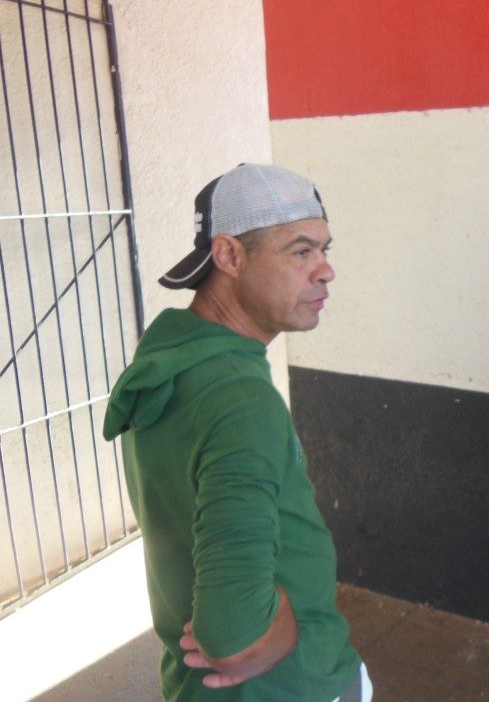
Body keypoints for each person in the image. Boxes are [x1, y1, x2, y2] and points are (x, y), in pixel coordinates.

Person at [103, 164, 371, 702]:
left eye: (324, 249)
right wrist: (283, 630)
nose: (325, 271)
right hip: (289, 688)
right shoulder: (240, 400)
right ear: (229, 257)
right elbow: (233, 634)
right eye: (301, 252)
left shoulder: (175, 358)